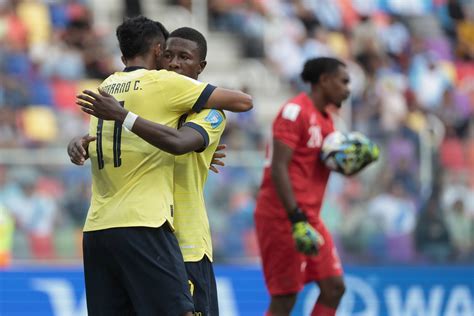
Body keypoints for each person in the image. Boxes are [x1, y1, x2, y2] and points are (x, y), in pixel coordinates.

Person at [75, 16, 252, 316]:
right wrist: (80, 141)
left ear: (201, 67)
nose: (174, 64)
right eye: (168, 55)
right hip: (150, 234)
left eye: (184, 57)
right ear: (158, 53)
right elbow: (116, 138)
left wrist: (200, 150)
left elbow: (181, 141)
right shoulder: (153, 101)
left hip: (187, 244)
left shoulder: (210, 115)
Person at [254, 57, 350, 316]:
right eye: (343, 82)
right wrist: (296, 218)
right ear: (324, 80)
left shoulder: (327, 120)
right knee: (285, 298)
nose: (347, 89)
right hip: (283, 216)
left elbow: (320, 166)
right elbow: (278, 168)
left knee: (334, 287)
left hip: (309, 218)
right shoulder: (294, 112)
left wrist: (351, 164)